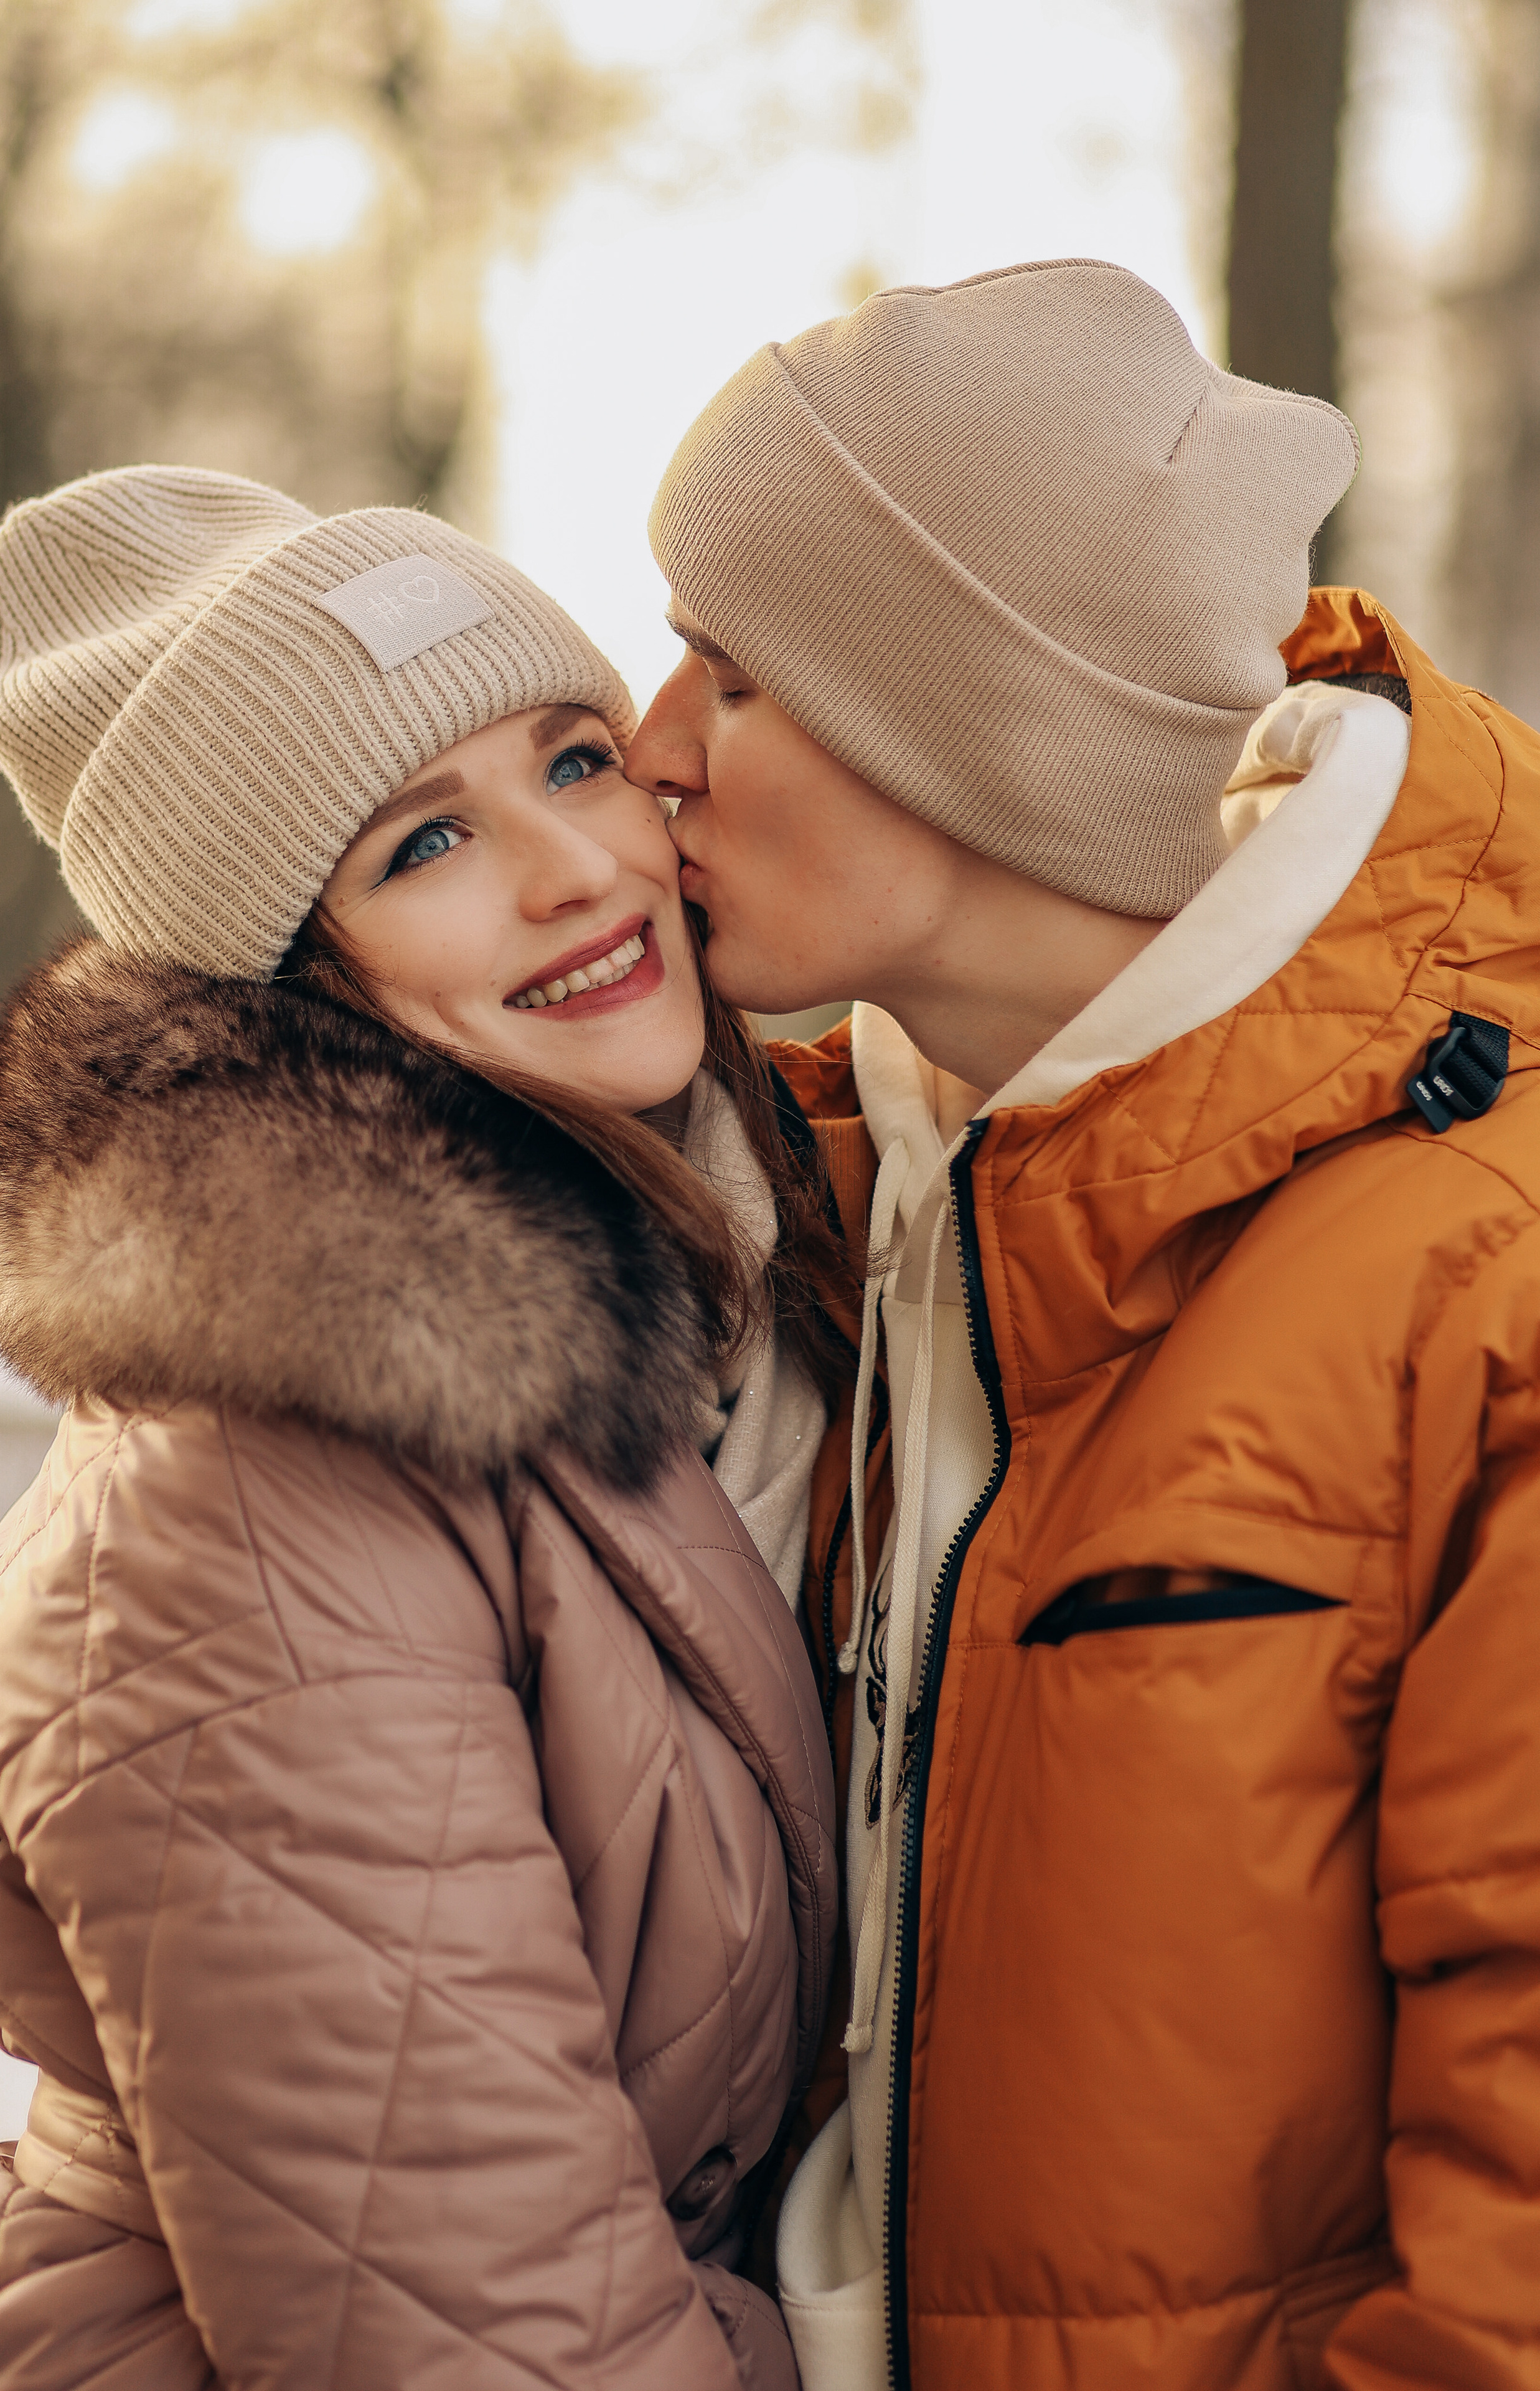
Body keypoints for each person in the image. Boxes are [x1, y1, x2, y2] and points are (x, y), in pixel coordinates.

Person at [623, 258, 1540, 2390]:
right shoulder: (826, 1209)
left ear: (971, 729)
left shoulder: (1478, 1278)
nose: (653, 750)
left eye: (730, 674)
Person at [0, 464, 848, 2389]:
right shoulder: (240, 1531)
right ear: (293, 995)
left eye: (577, 759)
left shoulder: (736, 1285)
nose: (577, 867)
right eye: (425, 842)